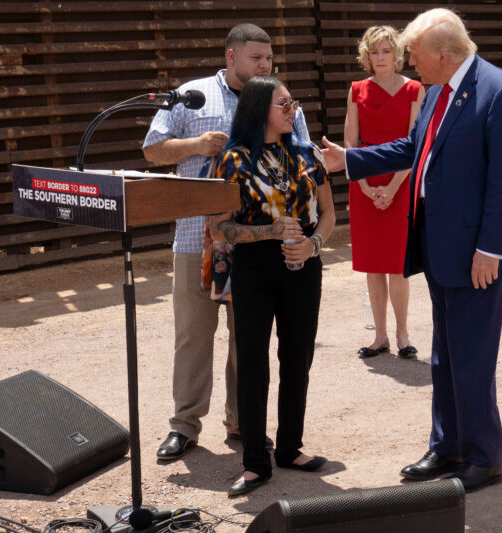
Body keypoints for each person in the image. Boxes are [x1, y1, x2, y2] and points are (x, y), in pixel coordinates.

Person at [320, 8, 502, 492]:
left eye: (413, 54)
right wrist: (349, 160)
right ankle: (448, 446)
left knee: (472, 356)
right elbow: (412, 148)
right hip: (439, 247)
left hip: (477, 255)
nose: (408, 62)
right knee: (445, 355)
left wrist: (490, 250)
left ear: (443, 54)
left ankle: (484, 458)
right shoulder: (438, 90)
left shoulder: (499, 92)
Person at [143, 23, 308, 461]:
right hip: (196, 236)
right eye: (257, 58)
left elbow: (303, 157)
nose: (266, 66)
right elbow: (152, 149)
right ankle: (184, 425)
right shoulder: (192, 95)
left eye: (269, 59)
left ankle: (243, 424)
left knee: (248, 340)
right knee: (194, 336)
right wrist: (196, 144)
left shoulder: (279, 99)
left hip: (257, 243)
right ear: (232, 57)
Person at [207, 76, 335, 496]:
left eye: (292, 101)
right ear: (261, 108)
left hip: (304, 264)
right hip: (255, 269)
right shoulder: (232, 160)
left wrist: (313, 245)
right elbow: (218, 228)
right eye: (284, 103)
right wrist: (270, 232)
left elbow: (330, 214)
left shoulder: (306, 153)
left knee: (297, 357)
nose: (292, 108)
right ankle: (255, 463)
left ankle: (289, 448)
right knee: (254, 364)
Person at [344, 26, 425, 360]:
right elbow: (350, 140)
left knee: (397, 264)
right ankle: (379, 337)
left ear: (397, 54)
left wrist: (391, 188)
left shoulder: (415, 90)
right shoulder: (356, 89)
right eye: (374, 52)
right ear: (367, 55)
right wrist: (364, 184)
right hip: (364, 180)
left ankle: (403, 334)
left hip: (401, 181)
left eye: (386, 51)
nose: (380, 58)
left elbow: (414, 143)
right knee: (373, 265)